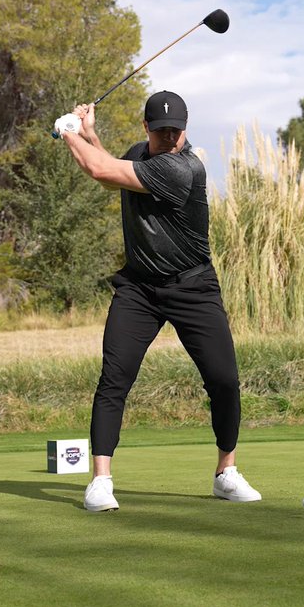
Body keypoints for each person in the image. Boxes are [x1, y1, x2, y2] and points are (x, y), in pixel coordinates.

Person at [56, 90, 261, 512]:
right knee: (114, 378)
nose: (170, 137)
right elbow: (112, 165)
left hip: (193, 287)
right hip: (139, 289)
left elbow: (100, 173)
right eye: (162, 130)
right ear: (146, 128)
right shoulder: (141, 154)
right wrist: (90, 134)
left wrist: (67, 132)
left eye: (176, 130)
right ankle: (100, 481)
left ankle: (226, 472)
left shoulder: (183, 169)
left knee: (224, 379)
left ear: (185, 130)